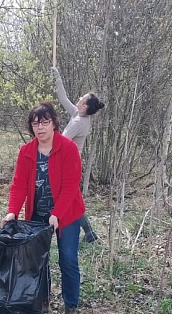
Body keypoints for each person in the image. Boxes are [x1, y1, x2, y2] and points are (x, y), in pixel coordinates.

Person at [3, 102, 86, 314]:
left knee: (68, 260)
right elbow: (19, 184)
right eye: (35, 123)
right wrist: (12, 211)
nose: (40, 128)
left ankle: (70, 308)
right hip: (37, 214)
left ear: (54, 124)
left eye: (45, 122)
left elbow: (71, 186)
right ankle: (42, 300)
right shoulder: (26, 151)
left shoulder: (68, 148)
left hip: (67, 214)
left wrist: (57, 214)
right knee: (38, 261)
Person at [51, 66, 105, 243]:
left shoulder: (79, 122)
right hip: (69, 163)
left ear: (84, 105)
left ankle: (84, 232)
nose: (79, 97)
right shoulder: (78, 114)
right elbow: (63, 99)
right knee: (74, 198)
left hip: (69, 165)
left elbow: (62, 141)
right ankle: (89, 233)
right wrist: (58, 79)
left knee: (71, 198)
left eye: (82, 97)